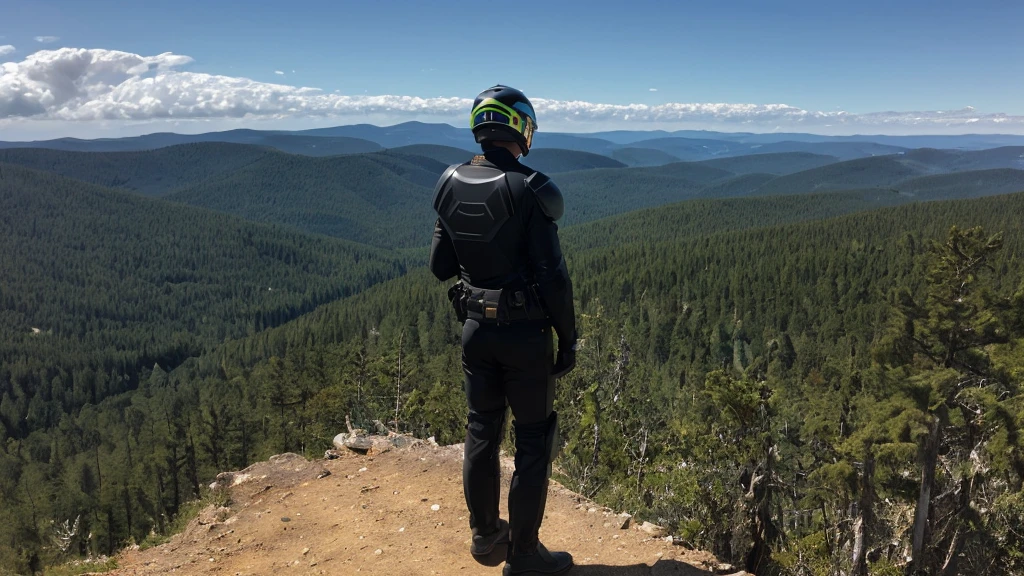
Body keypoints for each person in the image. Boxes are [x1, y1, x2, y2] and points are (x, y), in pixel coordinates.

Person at [428, 85, 578, 576]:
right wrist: (568, 339)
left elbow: (439, 266)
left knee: (481, 431)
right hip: (526, 337)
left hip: (475, 330)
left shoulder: (449, 181)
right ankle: (526, 554)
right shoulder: (534, 188)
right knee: (533, 439)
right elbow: (553, 277)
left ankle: (486, 535)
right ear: (522, 128)